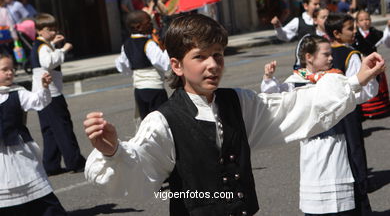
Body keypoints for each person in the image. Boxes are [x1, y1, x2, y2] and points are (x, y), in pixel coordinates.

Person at [83, 14, 384, 216]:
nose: (212, 64)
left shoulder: (238, 103)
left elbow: (294, 107)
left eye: (217, 55)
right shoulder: (164, 120)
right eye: (199, 57)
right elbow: (139, 171)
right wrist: (112, 152)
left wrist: (355, 81)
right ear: (176, 65)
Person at [261, 35, 378, 215]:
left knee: (344, 204)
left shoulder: (336, 79)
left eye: (331, 54)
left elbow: (364, 94)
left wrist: (368, 75)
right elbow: (275, 101)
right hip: (312, 149)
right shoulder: (295, 82)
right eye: (326, 54)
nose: (331, 58)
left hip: (338, 145)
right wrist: (269, 78)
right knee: (317, 202)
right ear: (309, 57)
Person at [0, 53, 67, 215]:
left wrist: (44, 88)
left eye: (12, 69)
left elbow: (38, 101)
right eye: (4, 69)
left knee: (35, 188)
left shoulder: (17, 93)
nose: (10, 73)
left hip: (19, 151)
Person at [325, 13, 376, 215]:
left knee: (337, 158)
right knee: (354, 157)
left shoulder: (325, 52)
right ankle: (360, 206)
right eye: (349, 29)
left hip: (329, 113)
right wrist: (373, 77)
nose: (354, 31)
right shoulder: (351, 55)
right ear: (336, 33)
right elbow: (361, 91)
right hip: (348, 113)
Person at [31, 13, 85, 176]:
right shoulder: (43, 46)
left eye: (55, 29)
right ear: (39, 30)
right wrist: (63, 49)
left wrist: (53, 44)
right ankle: (75, 161)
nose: (53, 32)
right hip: (51, 94)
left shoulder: (42, 44)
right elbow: (48, 62)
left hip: (42, 93)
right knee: (63, 128)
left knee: (50, 130)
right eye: (49, 29)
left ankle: (51, 164)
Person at [115, 10, 169, 120]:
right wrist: (168, 48)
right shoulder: (148, 44)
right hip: (155, 89)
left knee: (146, 121)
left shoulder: (126, 44)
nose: (152, 25)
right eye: (149, 22)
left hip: (139, 90)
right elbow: (164, 64)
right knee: (161, 121)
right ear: (138, 27)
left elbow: (122, 66)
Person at [352, 10, 390, 120]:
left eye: (367, 19)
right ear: (357, 22)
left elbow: (387, 41)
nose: (365, 22)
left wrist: (388, 28)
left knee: (376, 84)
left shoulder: (376, 33)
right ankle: (365, 109)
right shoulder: (355, 35)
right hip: (360, 64)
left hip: (374, 63)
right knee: (363, 85)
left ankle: (379, 109)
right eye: (362, 20)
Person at [271, 0, 321, 69]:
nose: (318, 7)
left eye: (320, 4)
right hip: (305, 66)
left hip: (321, 63)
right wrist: (278, 26)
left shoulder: (324, 20)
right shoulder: (298, 21)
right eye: (315, 4)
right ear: (306, 6)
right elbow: (284, 36)